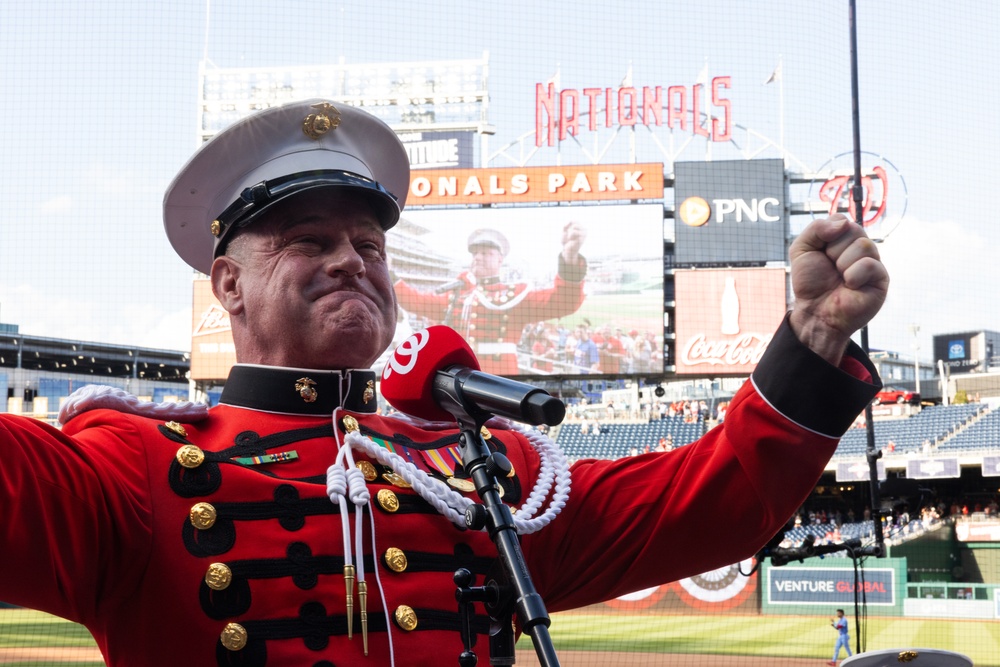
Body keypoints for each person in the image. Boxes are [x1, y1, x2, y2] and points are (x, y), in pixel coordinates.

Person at [0, 98, 887, 666]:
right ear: (228, 283)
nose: (351, 260)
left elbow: (712, 499)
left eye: (371, 245)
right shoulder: (130, 467)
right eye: (310, 240)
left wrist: (810, 339)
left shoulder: (478, 475)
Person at [393, 222, 588, 375]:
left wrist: (569, 256)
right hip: (457, 373)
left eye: (485, 253)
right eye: (475, 253)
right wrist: (389, 275)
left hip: (499, 377)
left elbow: (563, 302)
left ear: (500, 260)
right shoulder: (458, 296)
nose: (478, 257)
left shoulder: (514, 297)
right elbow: (415, 301)